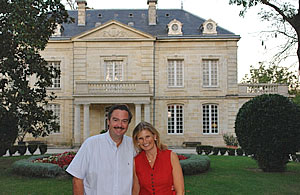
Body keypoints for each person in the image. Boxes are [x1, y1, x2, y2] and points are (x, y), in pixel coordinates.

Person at [66, 104, 135, 195]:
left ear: (128, 124)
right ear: (108, 121)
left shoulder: (133, 146)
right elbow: (77, 179)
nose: (119, 125)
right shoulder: (90, 144)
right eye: (115, 120)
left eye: (124, 121)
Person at [132, 121, 185, 195]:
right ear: (137, 141)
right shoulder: (136, 161)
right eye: (141, 138)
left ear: (154, 136)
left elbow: (180, 191)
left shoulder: (171, 156)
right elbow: (136, 191)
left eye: (147, 136)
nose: (145, 141)